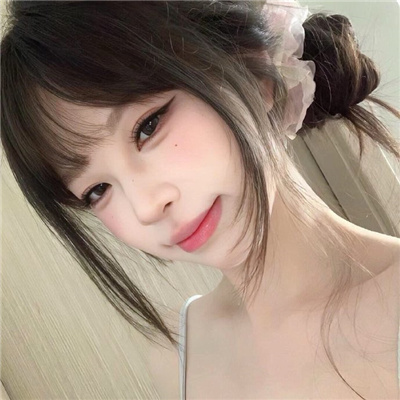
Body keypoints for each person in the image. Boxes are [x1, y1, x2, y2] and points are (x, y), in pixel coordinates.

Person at [1, 1, 399, 399]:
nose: (145, 208)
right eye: (97, 190)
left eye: (148, 127)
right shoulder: (179, 358)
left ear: (252, 72)